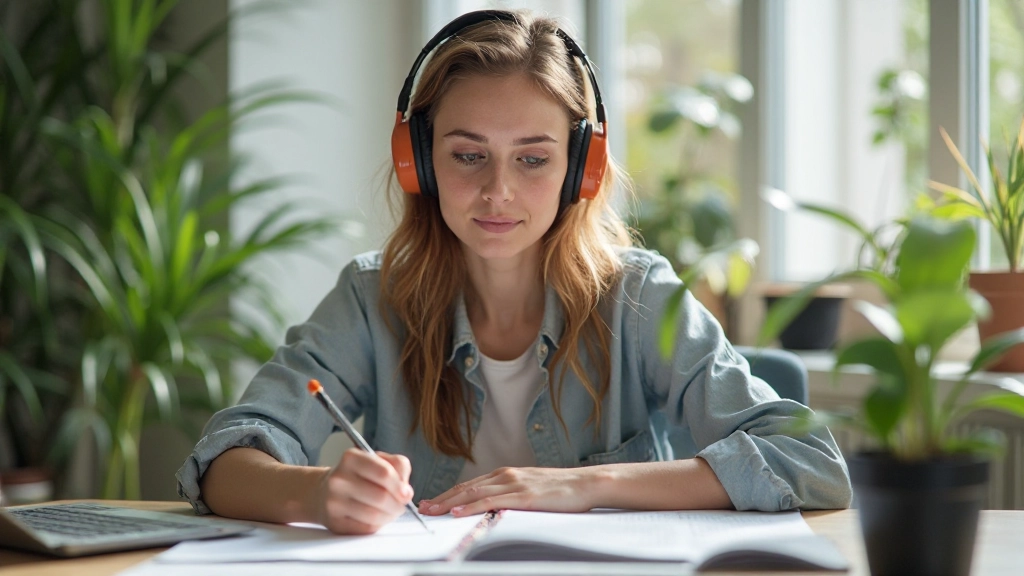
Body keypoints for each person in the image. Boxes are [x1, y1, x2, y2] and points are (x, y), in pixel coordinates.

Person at [176, 9, 852, 536]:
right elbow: (222, 461)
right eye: (468, 156)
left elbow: (812, 462)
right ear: (420, 163)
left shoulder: (638, 298)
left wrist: (585, 486)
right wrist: (317, 493)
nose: (498, 193)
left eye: (532, 159)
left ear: (579, 171)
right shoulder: (372, 296)